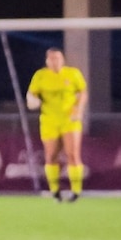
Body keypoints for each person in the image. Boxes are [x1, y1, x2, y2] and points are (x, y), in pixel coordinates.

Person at [25, 47, 88, 202]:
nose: (55, 61)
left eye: (57, 58)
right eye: (51, 59)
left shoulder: (73, 74)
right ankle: (55, 191)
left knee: (72, 154)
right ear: (47, 61)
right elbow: (31, 94)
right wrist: (32, 100)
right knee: (51, 155)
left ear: (63, 59)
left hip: (69, 120)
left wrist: (78, 110)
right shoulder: (40, 76)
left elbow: (82, 92)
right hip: (49, 120)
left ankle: (76, 192)